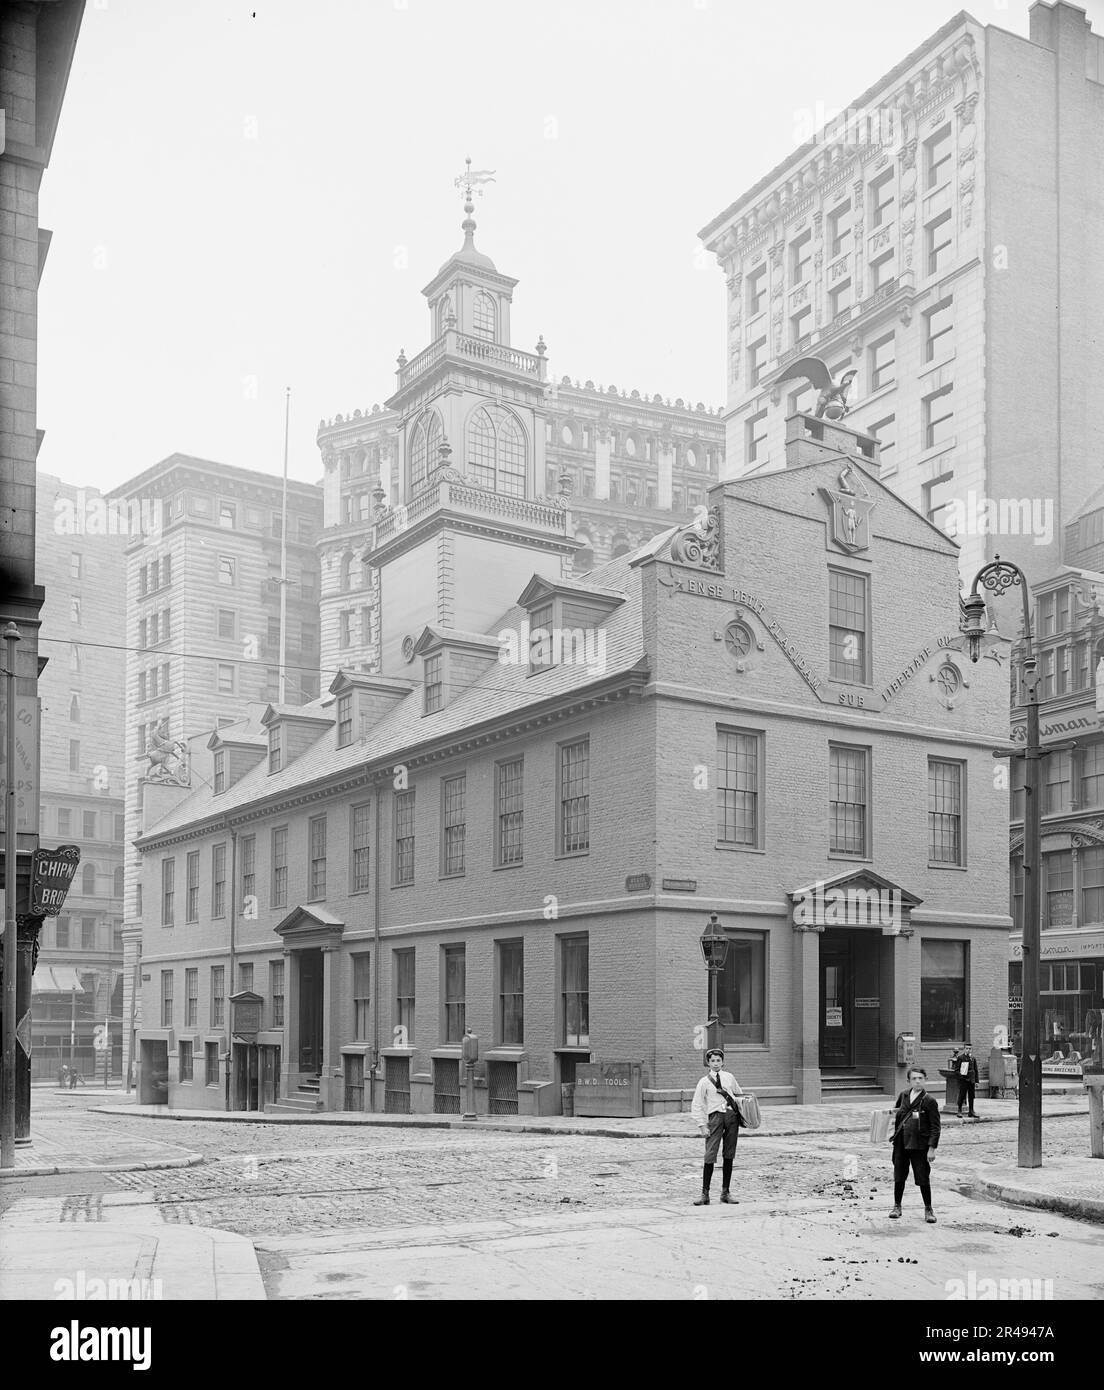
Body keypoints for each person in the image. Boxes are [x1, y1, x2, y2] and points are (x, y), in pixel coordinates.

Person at [689, 1047, 743, 1206]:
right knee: (710, 1154)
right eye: (712, 1061)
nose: (716, 1063)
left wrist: (743, 1115)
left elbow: (739, 1095)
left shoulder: (729, 1077)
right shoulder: (704, 1082)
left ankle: (725, 1192)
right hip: (715, 1118)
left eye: (718, 1060)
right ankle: (705, 1194)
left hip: (731, 1116)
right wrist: (702, 1125)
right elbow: (697, 1104)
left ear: (723, 1062)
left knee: (729, 1154)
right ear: (708, 1063)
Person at [889, 1065, 941, 1223]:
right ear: (908, 1081)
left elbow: (935, 1127)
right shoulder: (904, 1095)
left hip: (920, 1145)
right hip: (901, 1143)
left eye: (920, 1078)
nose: (917, 1081)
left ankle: (928, 1209)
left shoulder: (929, 1101)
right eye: (914, 1078)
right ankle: (897, 1206)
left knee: (922, 1176)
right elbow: (896, 1114)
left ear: (925, 1080)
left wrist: (931, 1148)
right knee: (899, 1175)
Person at [950, 1042, 978, 1118]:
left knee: (971, 1096)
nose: (968, 1050)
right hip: (964, 1080)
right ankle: (959, 1111)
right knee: (962, 1095)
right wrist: (961, 1076)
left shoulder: (973, 1058)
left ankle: (971, 1111)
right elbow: (956, 1070)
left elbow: (975, 1070)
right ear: (964, 1049)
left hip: (971, 1080)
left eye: (970, 1049)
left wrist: (976, 1081)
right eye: (967, 1049)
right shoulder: (961, 1058)